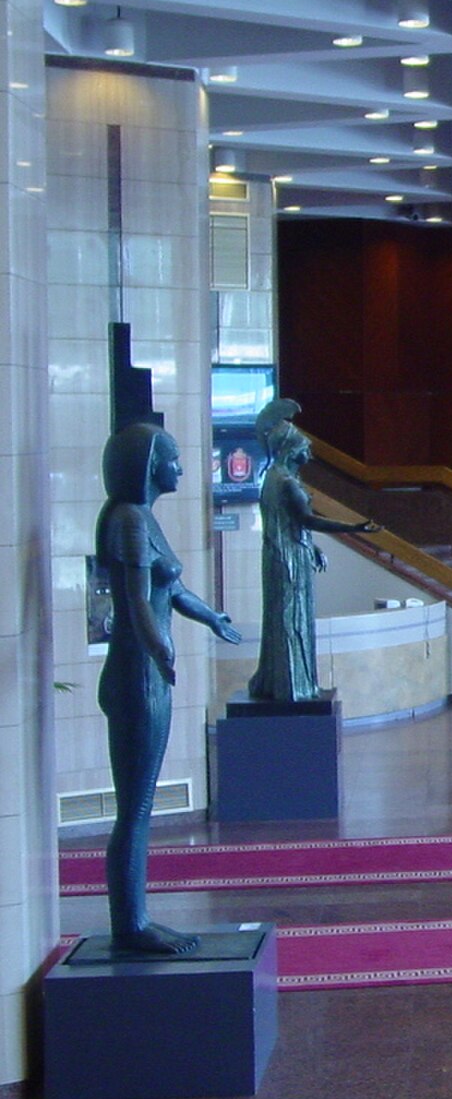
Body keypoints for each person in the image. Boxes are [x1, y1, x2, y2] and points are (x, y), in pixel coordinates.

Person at [95, 421, 244, 955]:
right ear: (147, 464)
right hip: (137, 675)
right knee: (134, 810)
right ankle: (130, 925)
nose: (180, 468)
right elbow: (137, 603)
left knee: (139, 806)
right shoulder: (130, 520)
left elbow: (172, 588)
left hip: (146, 672)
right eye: (173, 459)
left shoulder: (142, 517)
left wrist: (213, 618)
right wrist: (162, 648)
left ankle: (135, 919)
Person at [248, 401, 379, 703]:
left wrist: (312, 546)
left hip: (283, 554)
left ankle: (279, 682)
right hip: (289, 560)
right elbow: (307, 520)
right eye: (305, 448)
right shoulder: (288, 484)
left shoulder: (272, 478)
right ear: (291, 449)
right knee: (290, 620)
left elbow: (287, 523)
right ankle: (292, 685)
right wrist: (355, 528)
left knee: (282, 618)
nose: (310, 454)